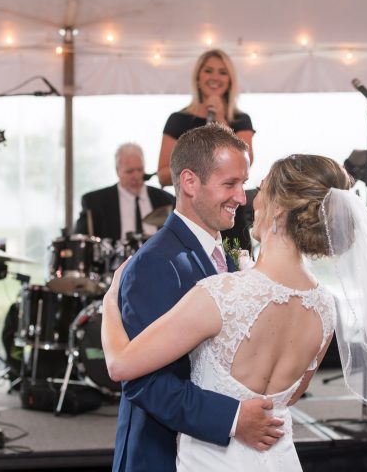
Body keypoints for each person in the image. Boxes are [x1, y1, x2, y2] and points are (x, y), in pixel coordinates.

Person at [103, 152, 367, 471]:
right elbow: (287, 397)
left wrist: (109, 306)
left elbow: (121, 365)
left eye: (261, 188)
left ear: (280, 211)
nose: (249, 198)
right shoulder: (326, 307)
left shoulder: (222, 295)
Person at [104, 123, 285, 472]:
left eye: (243, 184)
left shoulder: (225, 255)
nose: (241, 198)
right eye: (229, 184)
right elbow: (143, 382)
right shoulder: (156, 263)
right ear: (189, 182)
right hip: (162, 456)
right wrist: (233, 418)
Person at [157, 49, 255, 250]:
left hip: (230, 216)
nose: (215, 77)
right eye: (209, 71)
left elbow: (245, 164)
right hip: (191, 217)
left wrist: (220, 117)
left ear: (230, 80)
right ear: (198, 78)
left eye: (222, 72)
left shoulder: (240, 120)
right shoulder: (178, 120)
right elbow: (163, 175)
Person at [74, 143, 174, 240]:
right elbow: (80, 243)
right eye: (130, 171)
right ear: (117, 171)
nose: (136, 176)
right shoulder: (95, 203)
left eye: (140, 170)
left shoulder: (167, 200)